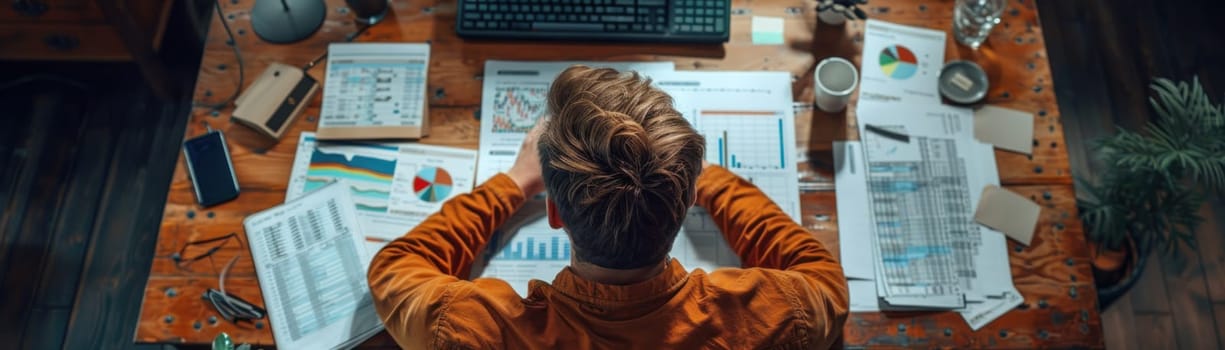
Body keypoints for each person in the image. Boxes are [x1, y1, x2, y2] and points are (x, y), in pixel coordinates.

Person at [368, 66, 848, 349]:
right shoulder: (773, 314)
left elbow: (395, 270)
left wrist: (513, 183)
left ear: (556, 214)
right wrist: (700, 179)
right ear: (683, 208)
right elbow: (826, 284)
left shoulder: (472, 329)